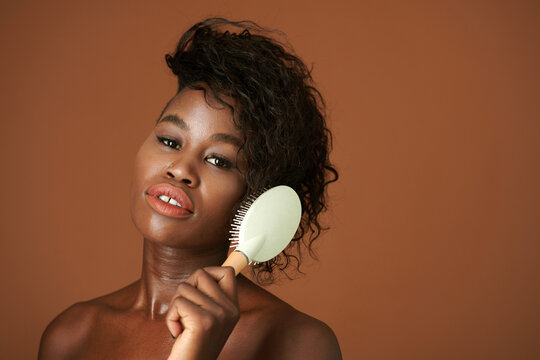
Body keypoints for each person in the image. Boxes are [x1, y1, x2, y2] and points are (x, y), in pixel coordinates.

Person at [38, 18, 341, 359]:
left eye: (219, 161)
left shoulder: (298, 343)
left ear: (255, 199)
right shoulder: (72, 335)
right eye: (169, 140)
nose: (180, 169)